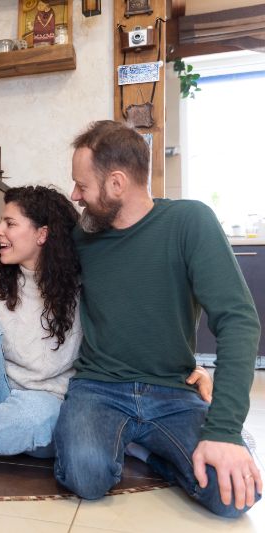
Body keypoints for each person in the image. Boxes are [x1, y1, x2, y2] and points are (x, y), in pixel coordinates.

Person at [0, 186, 214, 483]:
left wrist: (190, 368)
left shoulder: (84, 285)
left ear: (42, 233)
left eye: (10, 223)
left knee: (44, 419)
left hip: (49, 404)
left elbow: (129, 335)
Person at [54, 120, 262, 517]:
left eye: (82, 185)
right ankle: (139, 445)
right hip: (99, 389)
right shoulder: (82, 238)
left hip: (174, 392)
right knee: (86, 477)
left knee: (233, 497)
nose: (75, 195)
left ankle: (145, 449)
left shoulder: (191, 223)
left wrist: (224, 432)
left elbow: (238, 320)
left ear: (116, 184)